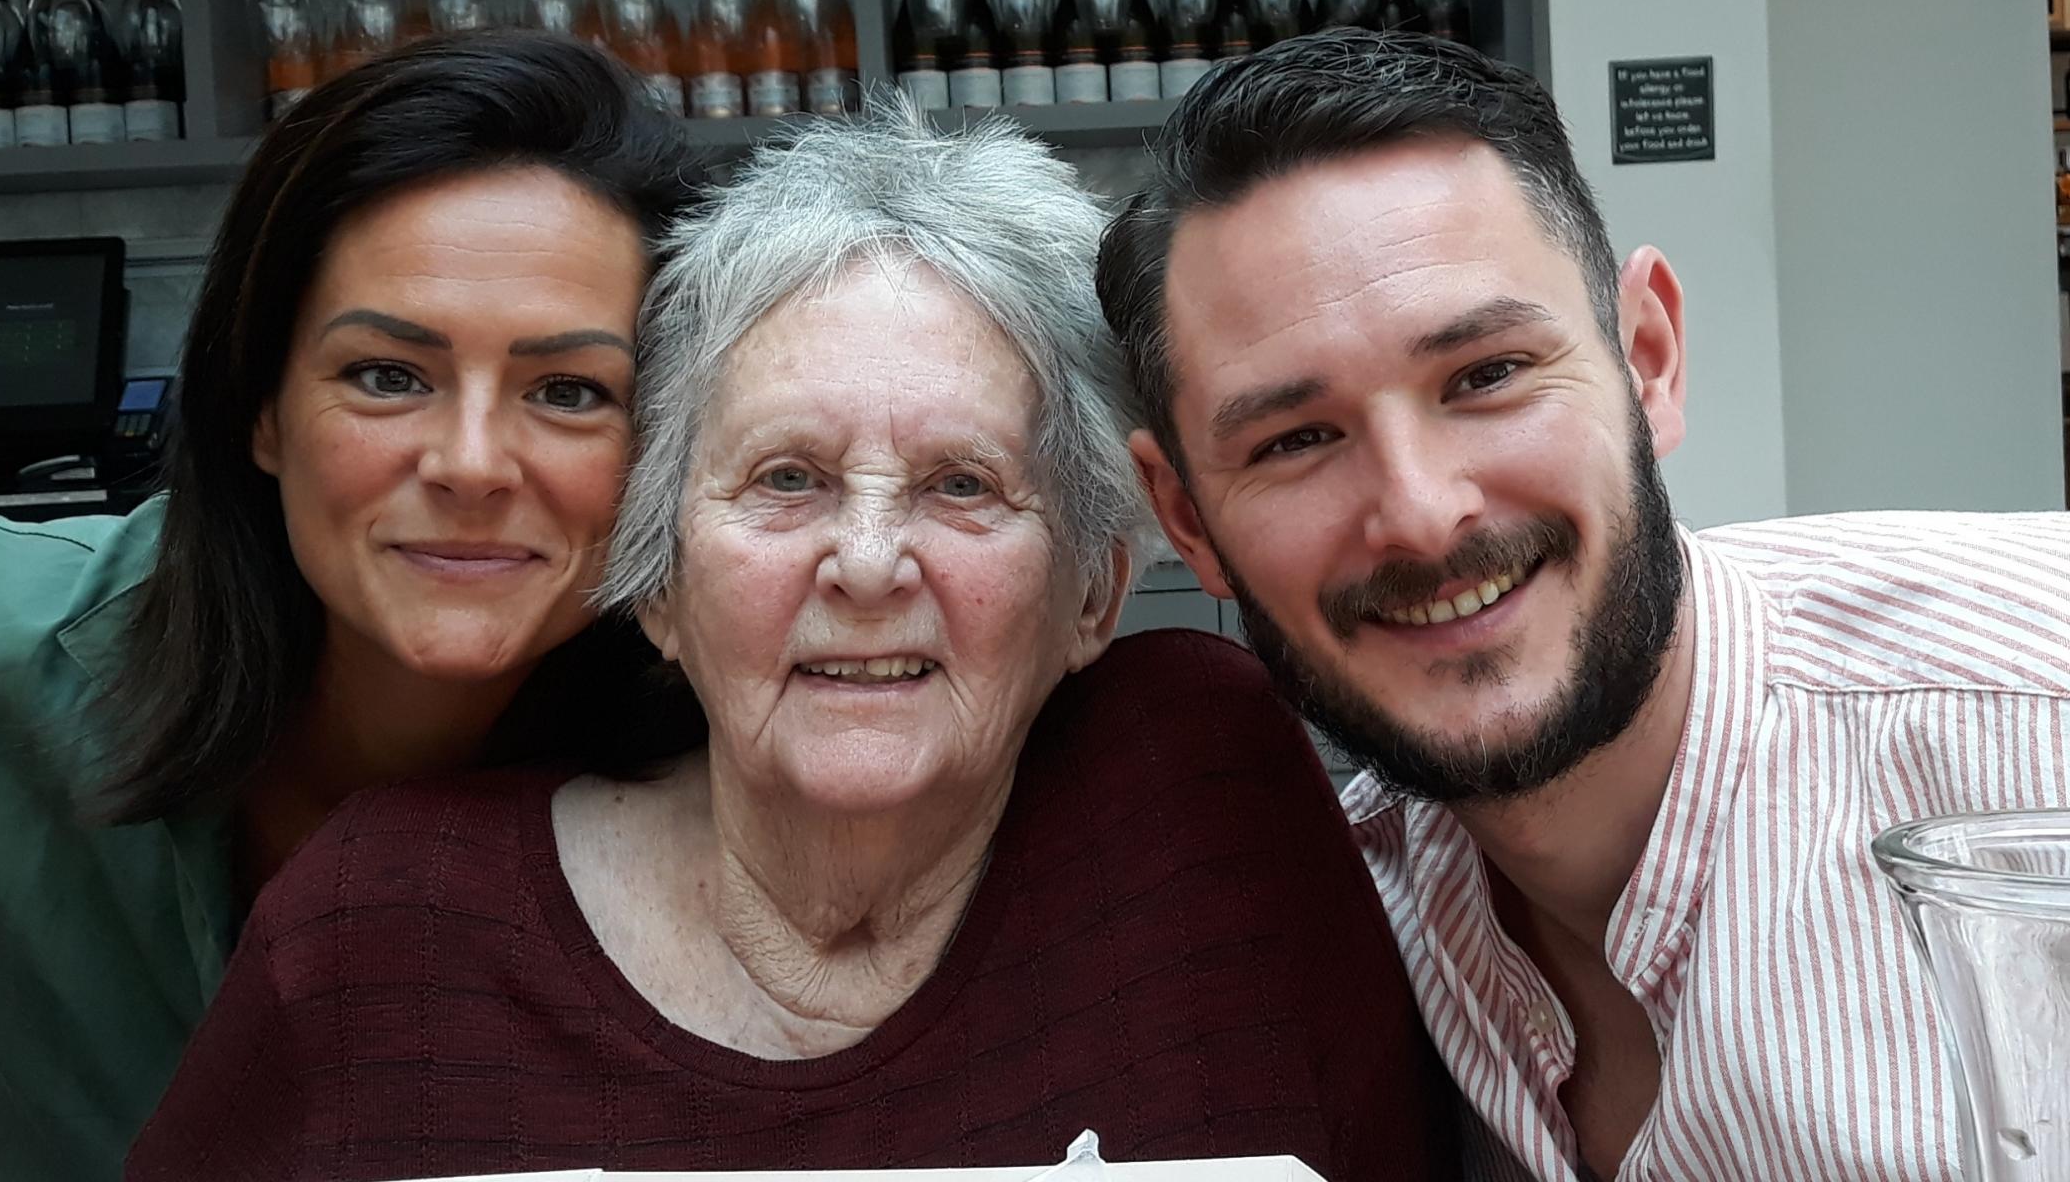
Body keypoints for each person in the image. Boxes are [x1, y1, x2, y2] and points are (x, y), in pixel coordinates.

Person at [125, 102, 1455, 1182]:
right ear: (657, 582)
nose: (869, 564)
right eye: (786, 481)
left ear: (1096, 597)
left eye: (961, 486)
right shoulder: (387, 926)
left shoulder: (1200, 794)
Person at [0, 34, 704, 1182]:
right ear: (259, 406)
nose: (470, 463)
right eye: (387, 375)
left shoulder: (746, 740)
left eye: (569, 391)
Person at [1095, 26, 2070, 1182]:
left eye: (1488, 375)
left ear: (1647, 359)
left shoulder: (2032, 725)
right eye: (1297, 439)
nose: (1418, 513)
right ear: (1190, 519)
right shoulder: (1342, 911)